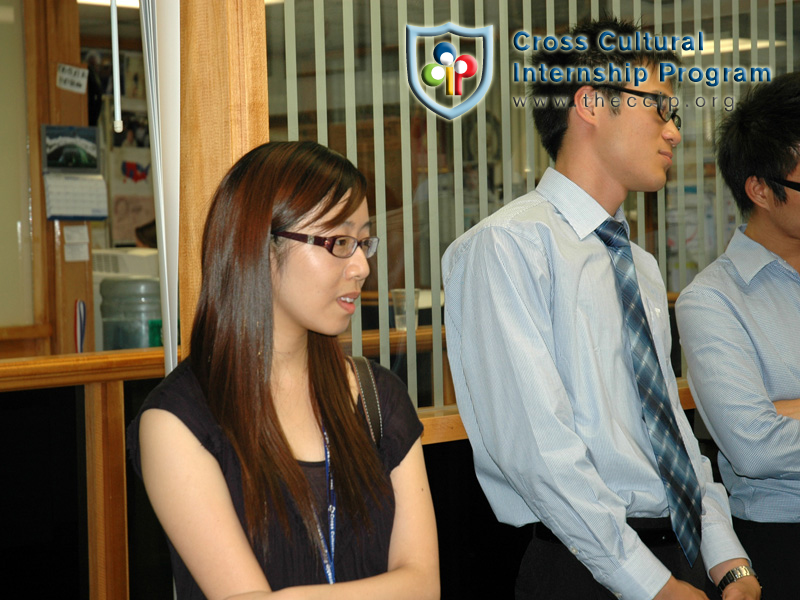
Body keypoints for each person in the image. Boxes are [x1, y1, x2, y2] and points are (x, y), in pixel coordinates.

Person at [443, 18, 760, 600]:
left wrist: (727, 557)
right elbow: (540, 454)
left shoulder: (636, 262)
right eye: (660, 108)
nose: (673, 133)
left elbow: (668, 427)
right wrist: (651, 585)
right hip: (587, 571)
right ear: (590, 104)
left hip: (679, 560)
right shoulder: (507, 247)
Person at [127, 141, 439, 599]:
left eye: (363, 241)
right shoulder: (178, 422)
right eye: (339, 242)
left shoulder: (377, 397)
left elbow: (424, 585)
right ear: (262, 247)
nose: (362, 266)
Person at [675, 72, 800, 599]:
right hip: (783, 545)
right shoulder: (712, 300)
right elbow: (754, 447)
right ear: (762, 190)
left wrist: (788, 407)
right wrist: (775, 416)